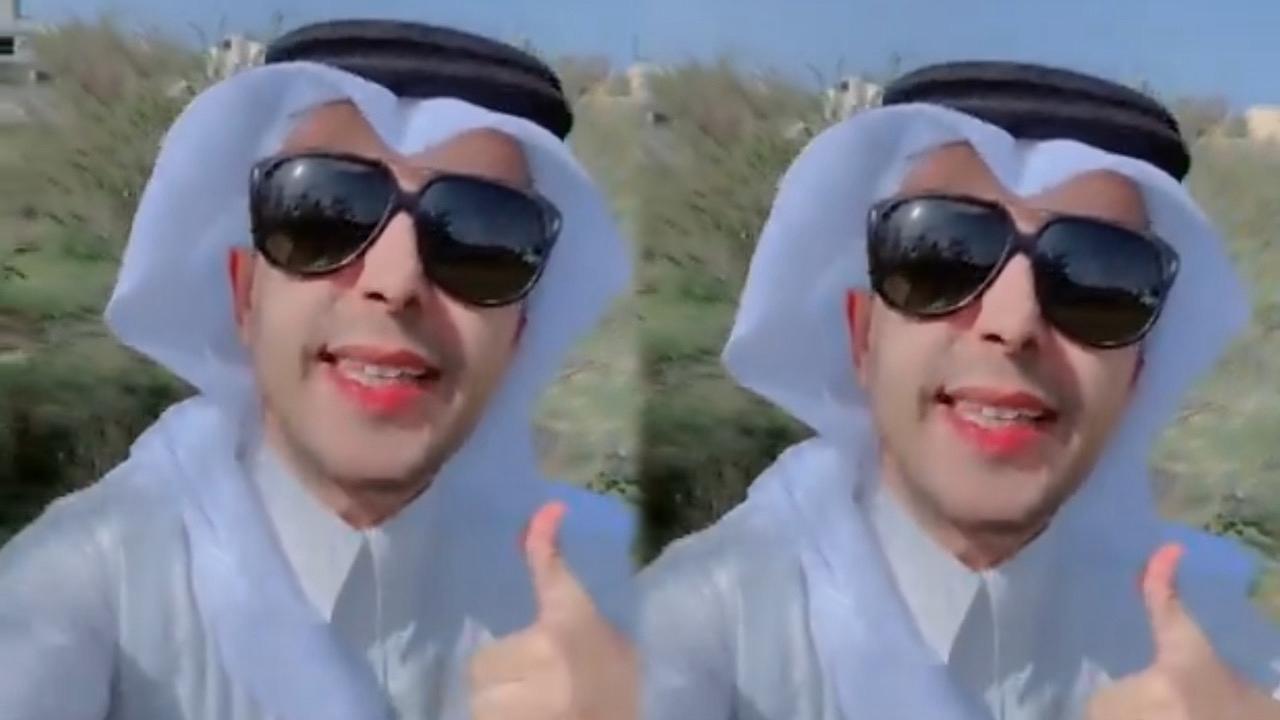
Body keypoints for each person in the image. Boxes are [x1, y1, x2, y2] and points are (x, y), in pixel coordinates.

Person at [0, 19, 637, 720]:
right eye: (324, 216)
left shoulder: (613, 588)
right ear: (245, 295)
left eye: (479, 238)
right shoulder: (83, 593)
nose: (395, 281)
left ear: (516, 335)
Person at [639, 61, 1280, 720]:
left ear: (1134, 379)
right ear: (862, 339)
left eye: (1096, 282)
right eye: (941, 257)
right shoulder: (703, 627)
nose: (1013, 322)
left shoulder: (1213, 644)